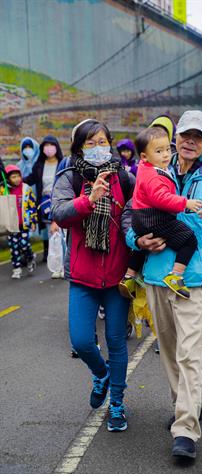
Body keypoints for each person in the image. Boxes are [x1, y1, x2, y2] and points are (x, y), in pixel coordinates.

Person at [123, 110, 202, 458]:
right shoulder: (152, 169)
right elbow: (129, 217)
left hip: (192, 282)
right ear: (175, 137)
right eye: (185, 135)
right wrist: (137, 241)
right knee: (171, 356)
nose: (190, 142)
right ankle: (187, 405)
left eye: (198, 137)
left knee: (190, 354)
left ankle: (186, 431)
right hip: (155, 280)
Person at [51, 119, 135, 432]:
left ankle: (117, 404)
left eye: (102, 140)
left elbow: (134, 217)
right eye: (91, 142)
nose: (98, 147)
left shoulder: (124, 178)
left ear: (110, 143)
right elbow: (58, 214)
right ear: (79, 147)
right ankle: (101, 374)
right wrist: (88, 200)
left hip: (116, 277)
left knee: (116, 342)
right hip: (83, 277)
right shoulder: (70, 177)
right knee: (83, 341)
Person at [119, 126, 200, 300]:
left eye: (167, 149)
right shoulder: (155, 176)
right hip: (154, 217)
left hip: (140, 218)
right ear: (144, 156)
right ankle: (176, 276)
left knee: (142, 246)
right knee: (189, 239)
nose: (165, 155)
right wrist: (186, 202)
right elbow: (161, 198)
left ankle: (129, 276)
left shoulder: (145, 168)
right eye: (158, 151)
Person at [24, 135, 63, 272]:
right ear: (42, 149)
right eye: (45, 145)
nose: (48, 148)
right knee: (50, 231)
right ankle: (54, 260)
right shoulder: (39, 165)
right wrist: (15, 182)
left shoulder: (62, 163)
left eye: (51, 145)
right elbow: (31, 179)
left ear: (56, 147)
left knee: (62, 230)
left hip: (60, 200)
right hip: (45, 202)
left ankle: (64, 261)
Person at [5, 165, 37, 279]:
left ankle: (30, 258)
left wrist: (33, 221)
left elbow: (32, 205)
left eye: (18, 176)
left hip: (24, 224)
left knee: (23, 245)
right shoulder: (4, 190)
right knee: (14, 247)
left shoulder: (26, 188)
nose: (17, 179)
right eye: (13, 177)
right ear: (8, 179)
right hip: (11, 225)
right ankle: (17, 269)